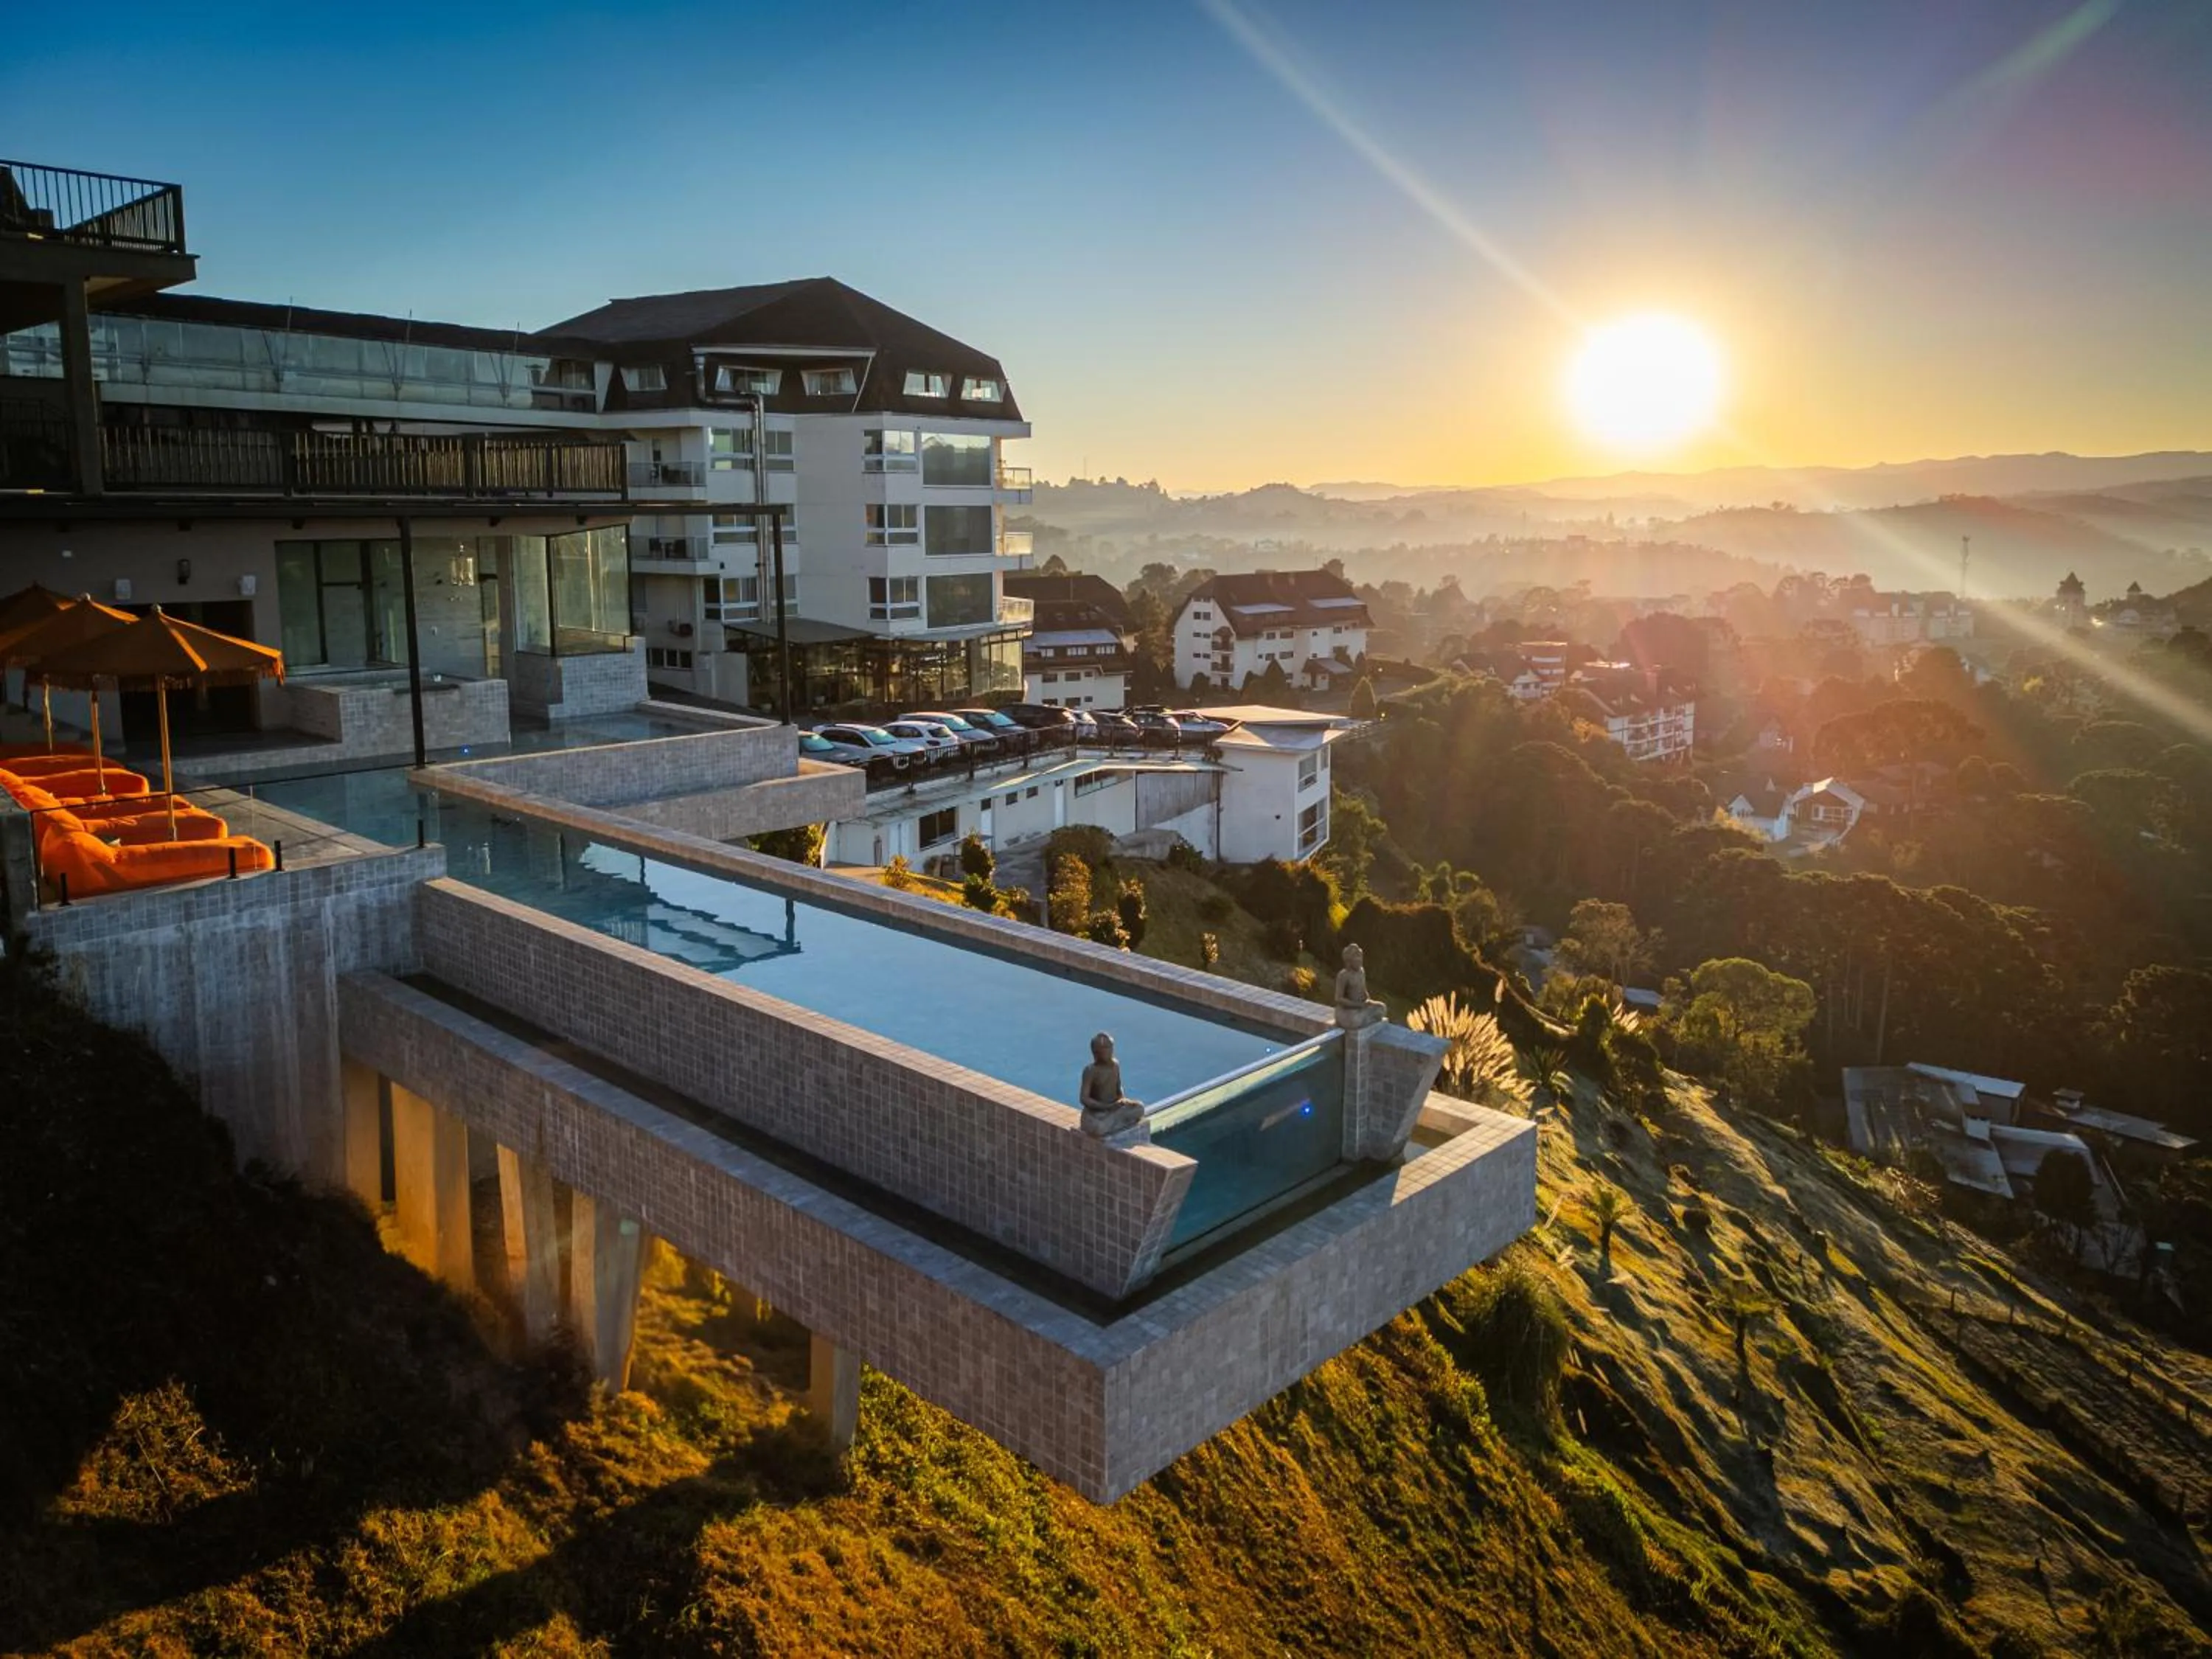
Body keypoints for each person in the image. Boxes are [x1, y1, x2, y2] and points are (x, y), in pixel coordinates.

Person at [1078, 1032, 1147, 1141]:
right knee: (1099, 1128)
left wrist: (1122, 1099)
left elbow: (1118, 1086)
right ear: (1096, 1053)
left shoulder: (1115, 1065)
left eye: (1111, 1047)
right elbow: (1084, 1098)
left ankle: (1115, 1121)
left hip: (1115, 1108)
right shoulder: (1090, 1071)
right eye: (1106, 1048)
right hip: (1098, 1113)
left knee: (1140, 1108)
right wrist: (1105, 1107)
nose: (1110, 1051)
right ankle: (1116, 1121)